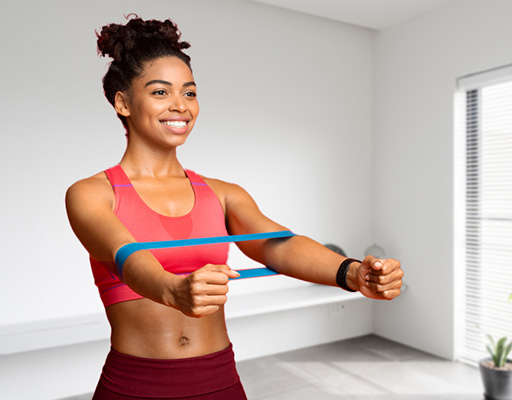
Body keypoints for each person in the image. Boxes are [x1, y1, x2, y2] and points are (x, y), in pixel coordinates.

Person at [65, 15, 403, 400]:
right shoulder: (92, 194)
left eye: (189, 93)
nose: (180, 105)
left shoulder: (223, 193)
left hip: (219, 380)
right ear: (123, 103)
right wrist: (171, 289)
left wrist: (352, 273)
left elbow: (277, 244)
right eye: (161, 92)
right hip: (135, 385)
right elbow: (126, 254)